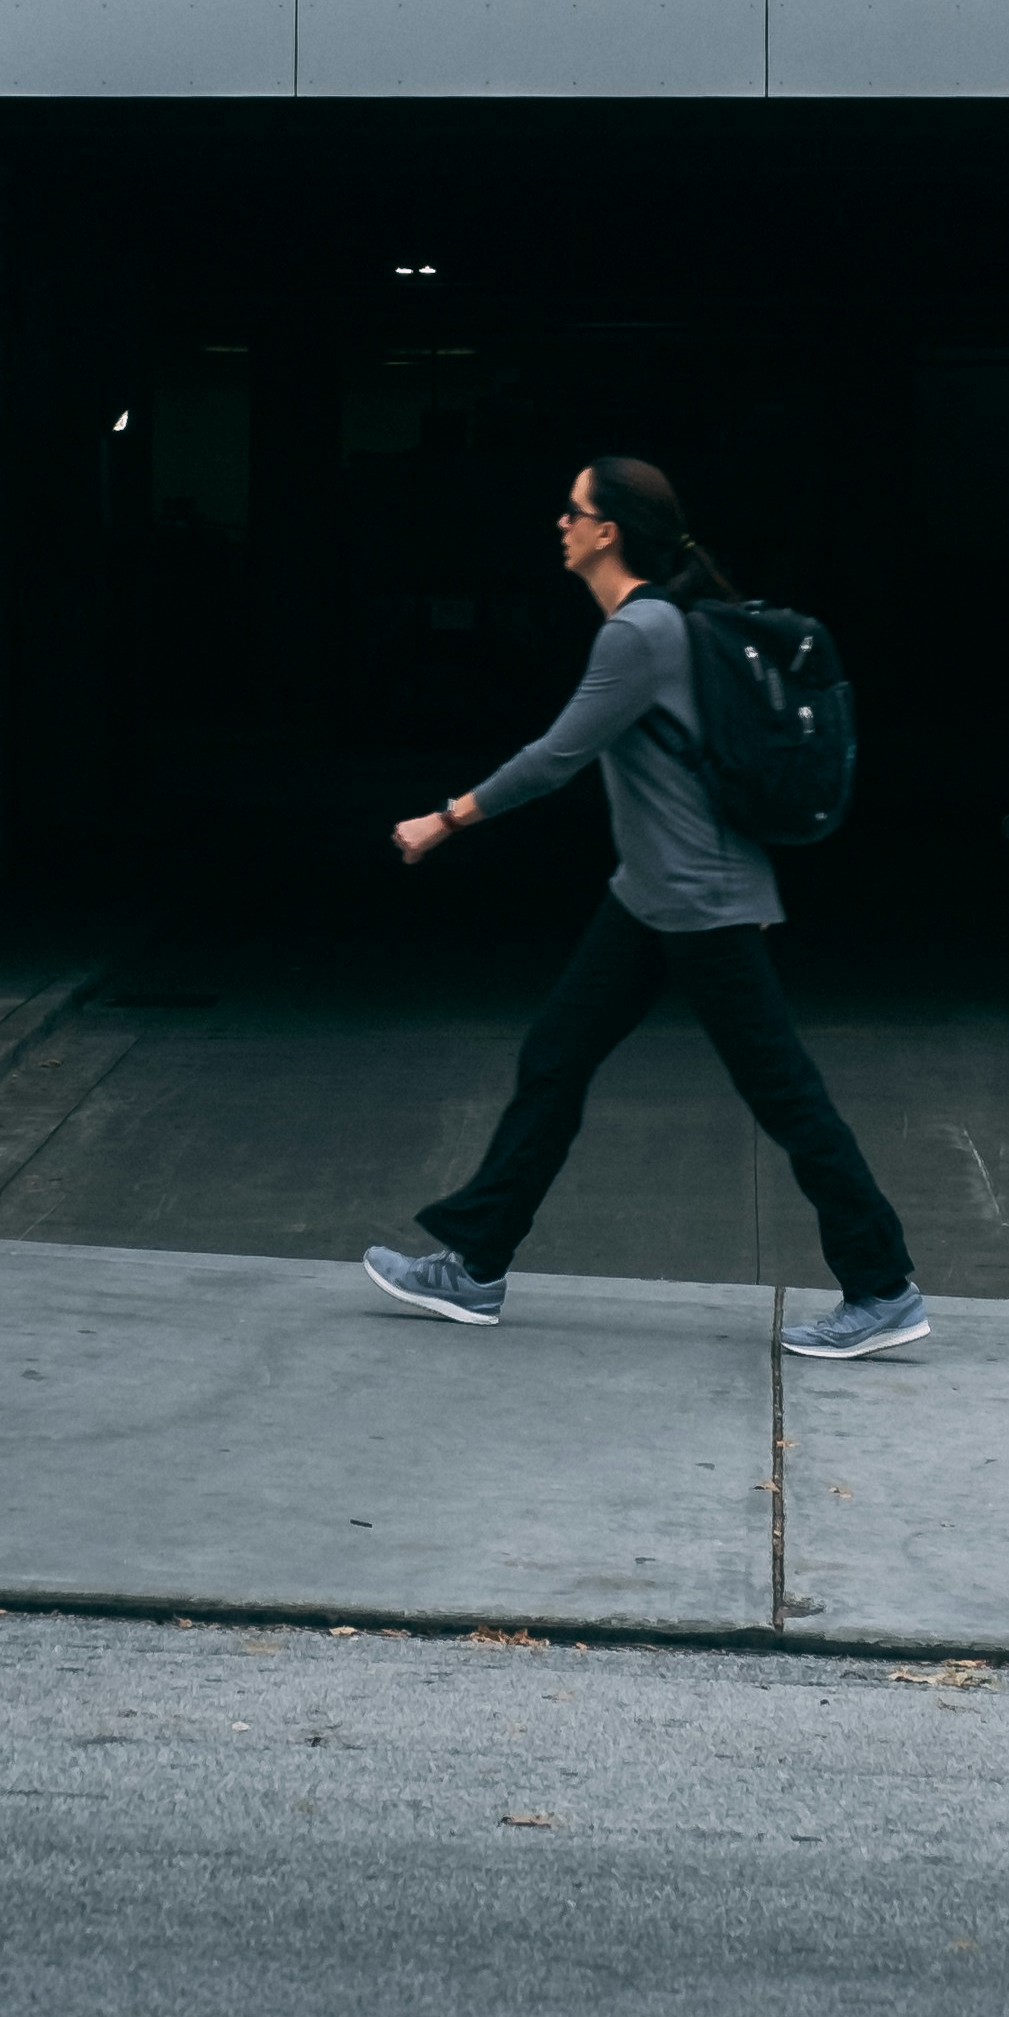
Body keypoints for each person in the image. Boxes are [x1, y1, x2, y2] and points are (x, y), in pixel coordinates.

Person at [362, 455, 930, 1362]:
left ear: (608, 531)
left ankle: (882, 1286)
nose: (560, 521)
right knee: (555, 1057)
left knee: (785, 1095)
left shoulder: (640, 632)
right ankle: (474, 1263)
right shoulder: (652, 625)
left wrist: (445, 818)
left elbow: (557, 756)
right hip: (651, 898)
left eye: (573, 509)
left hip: (701, 902)